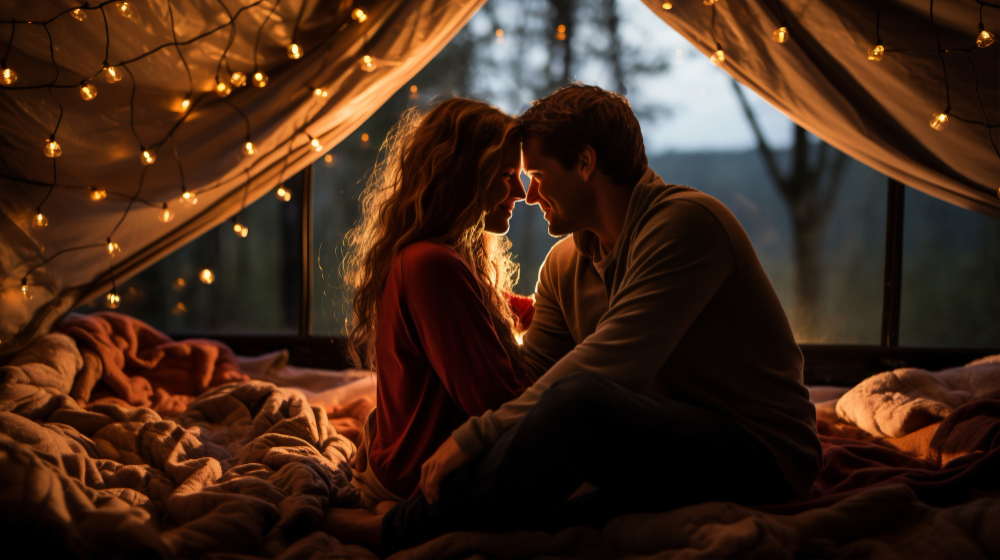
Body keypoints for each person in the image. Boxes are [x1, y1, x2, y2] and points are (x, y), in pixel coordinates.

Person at [327, 84, 823, 551]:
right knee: (558, 498)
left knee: (582, 404)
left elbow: (608, 369)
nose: (529, 195)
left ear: (585, 163)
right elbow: (534, 384)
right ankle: (449, 511)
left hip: (759, 452)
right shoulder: (563, 264)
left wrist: (469, 438)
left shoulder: (687, 224)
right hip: (654, 437)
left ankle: (401, 528)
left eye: (538, 176)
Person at [339, 98, 535, 507]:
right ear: (464, 177)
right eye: (505, 175)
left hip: (405, 468)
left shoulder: (444, 257)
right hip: (417, 481)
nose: (521, 191)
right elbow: (495, 402)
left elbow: (496, 311)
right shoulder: (432, 264)